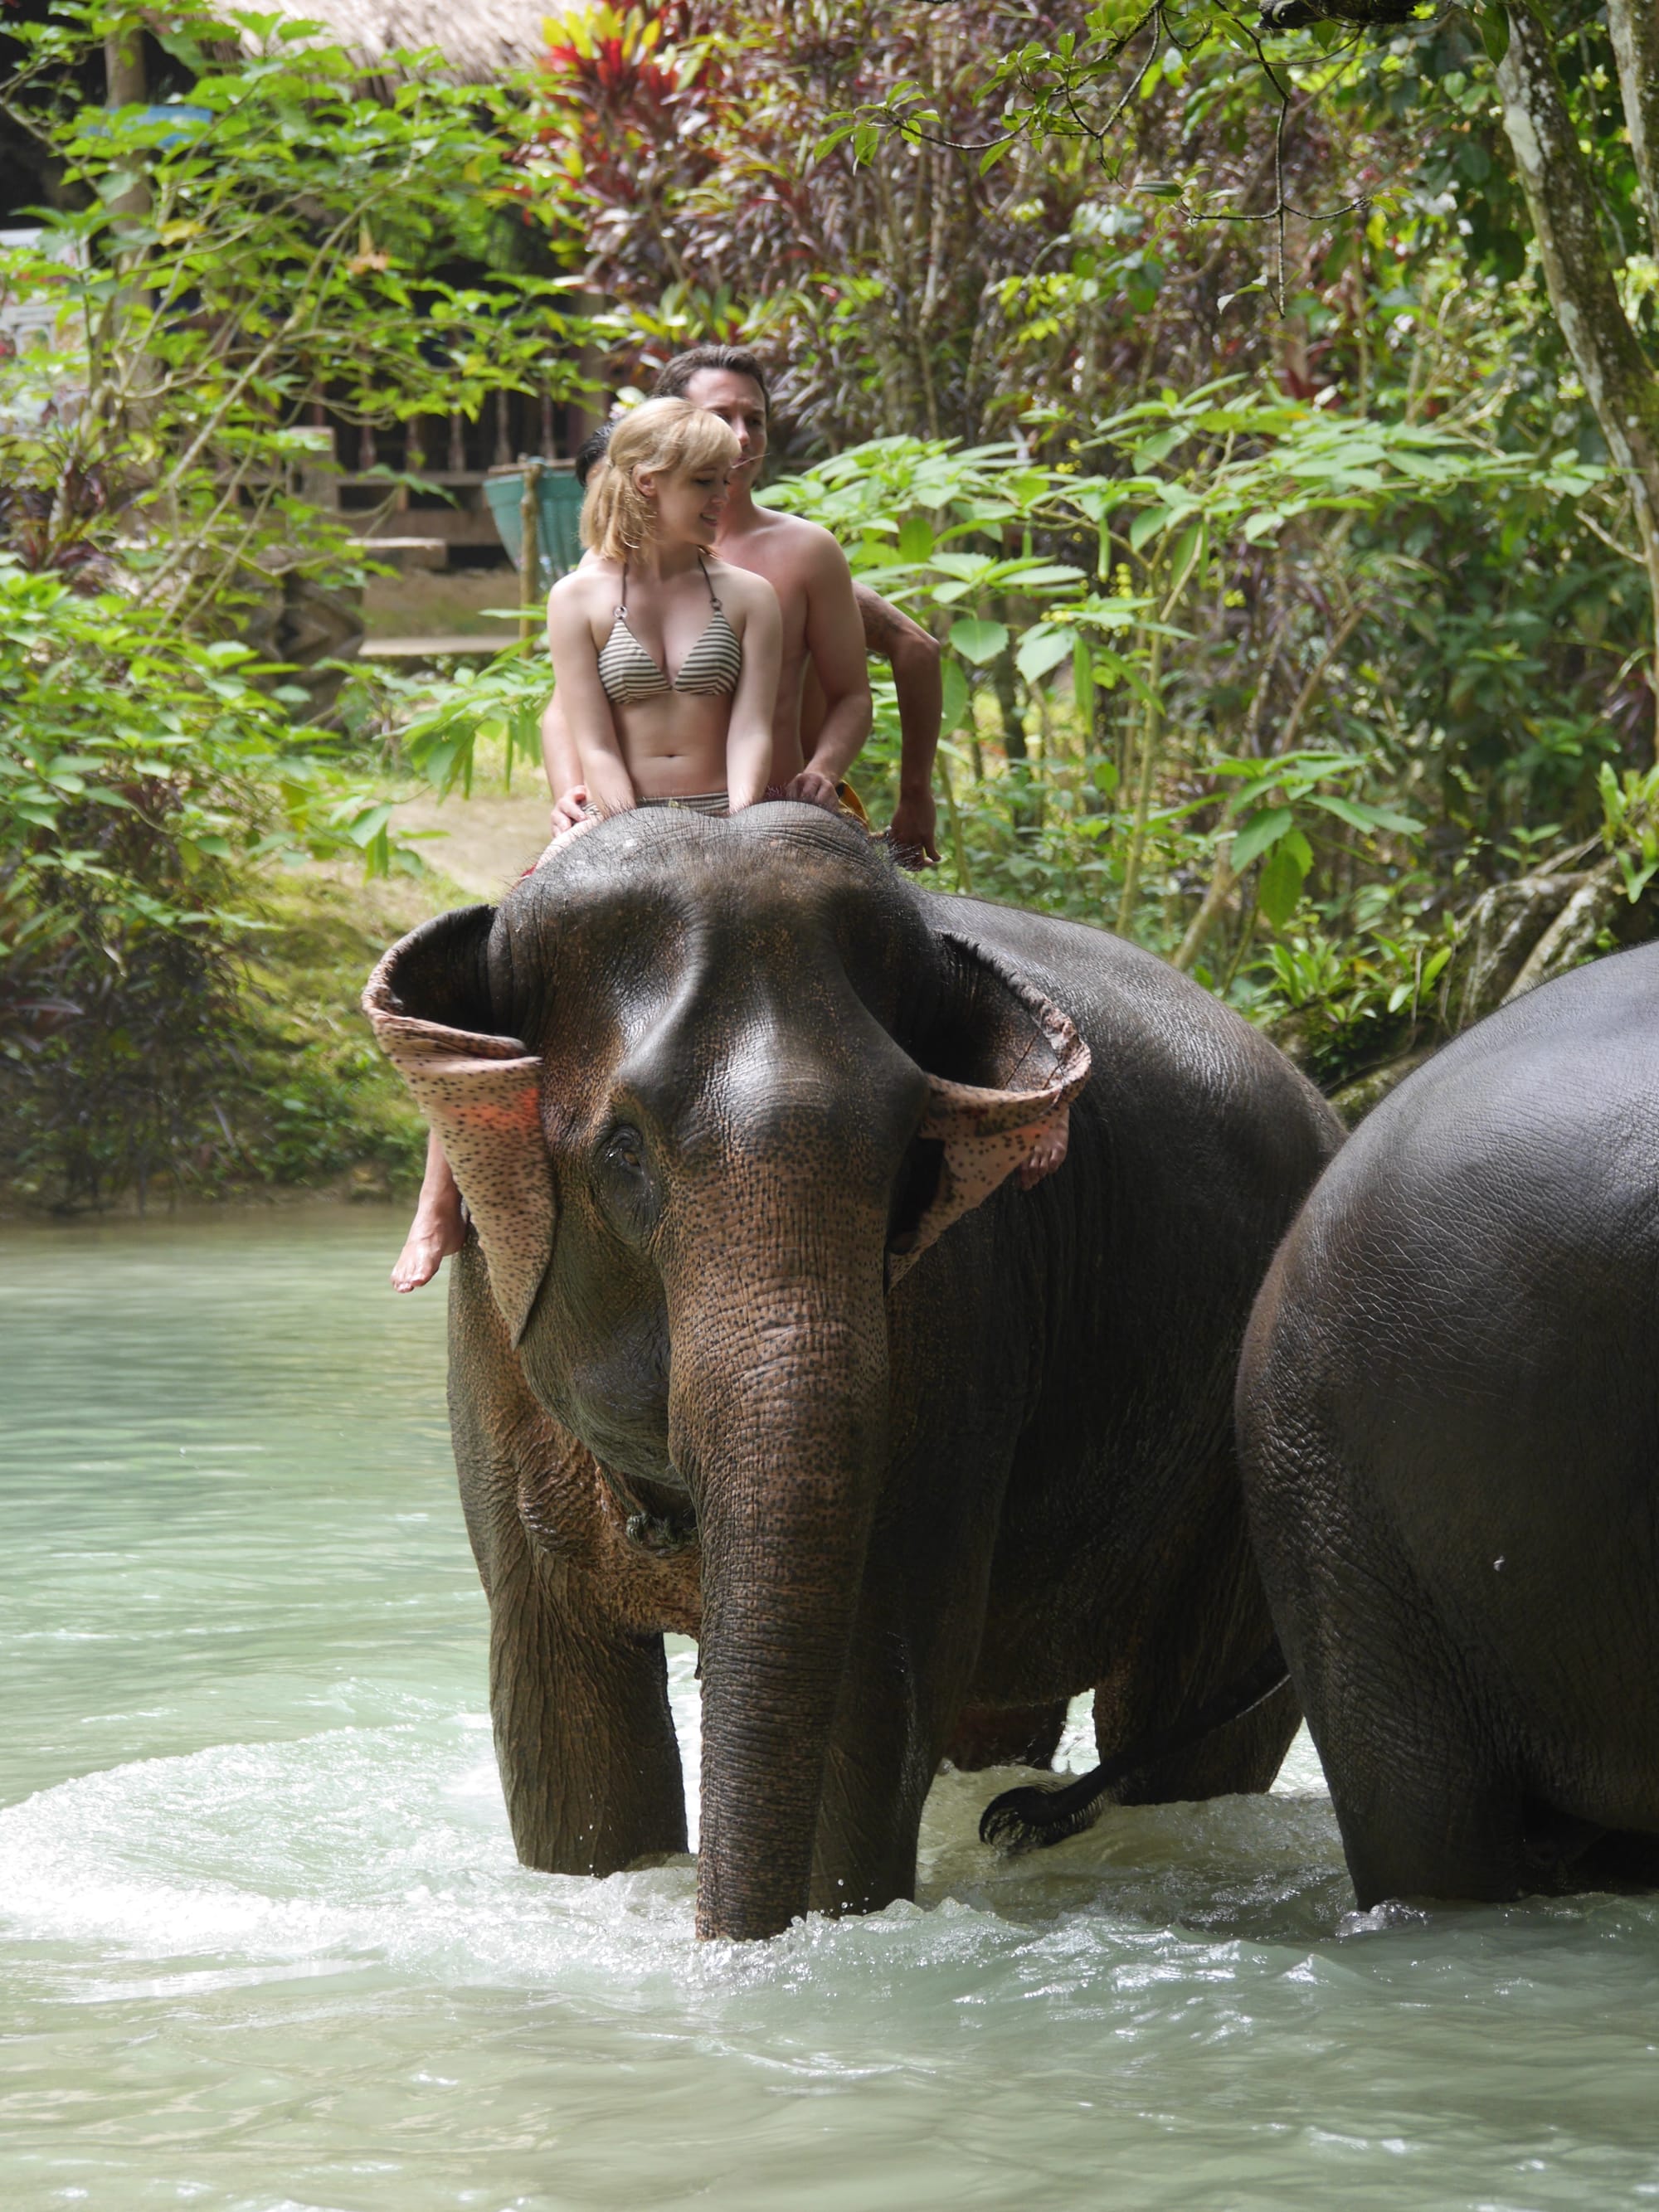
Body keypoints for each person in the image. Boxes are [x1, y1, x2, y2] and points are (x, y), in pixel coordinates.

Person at [391, 399, 781, 1291]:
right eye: (703, 483)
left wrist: (746, 820)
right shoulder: (577, 598)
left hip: (734, 810)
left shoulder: (749, 596)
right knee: (494, 969)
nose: (724, 495)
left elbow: (753, 728)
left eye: (726, 480)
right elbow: (593, 739)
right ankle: (437, 1200)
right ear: (648, 484)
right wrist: (629, 832)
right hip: (614, 820)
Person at [542, 345, 941, 865]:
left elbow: (913, 648)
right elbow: (566, 708)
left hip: (769, 811)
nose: (741, 436)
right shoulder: (603, 570)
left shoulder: (795, 558)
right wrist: (573, 794)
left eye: (755, 418)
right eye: (721, 417)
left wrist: (889, 787)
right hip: (627, 817)